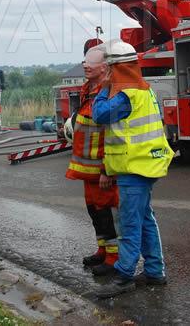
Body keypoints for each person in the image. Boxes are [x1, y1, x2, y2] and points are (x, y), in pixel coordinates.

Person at [92, 40, 174, 298]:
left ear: (116, 68)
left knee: (129, 224)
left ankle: (124, 276)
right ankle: (154, 272)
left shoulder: (125, 95)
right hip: (145, 164)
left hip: (134, 168)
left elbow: (99, 114)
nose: (106, 73)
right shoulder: (143, 90)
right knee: (145, 219)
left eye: (109, 68)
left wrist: (104, 88)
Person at [65, 44, 120, 276]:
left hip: (102, 169)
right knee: (94, 210)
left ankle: (114, 258)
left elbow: (114, 135)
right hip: (87, 168)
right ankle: (103, 249)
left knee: (107, 212)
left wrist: (108, 169)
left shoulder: (110, 92)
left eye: (91, 62)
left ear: (105, 67)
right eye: (85, 61)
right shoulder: (88, 89)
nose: (85, 65)